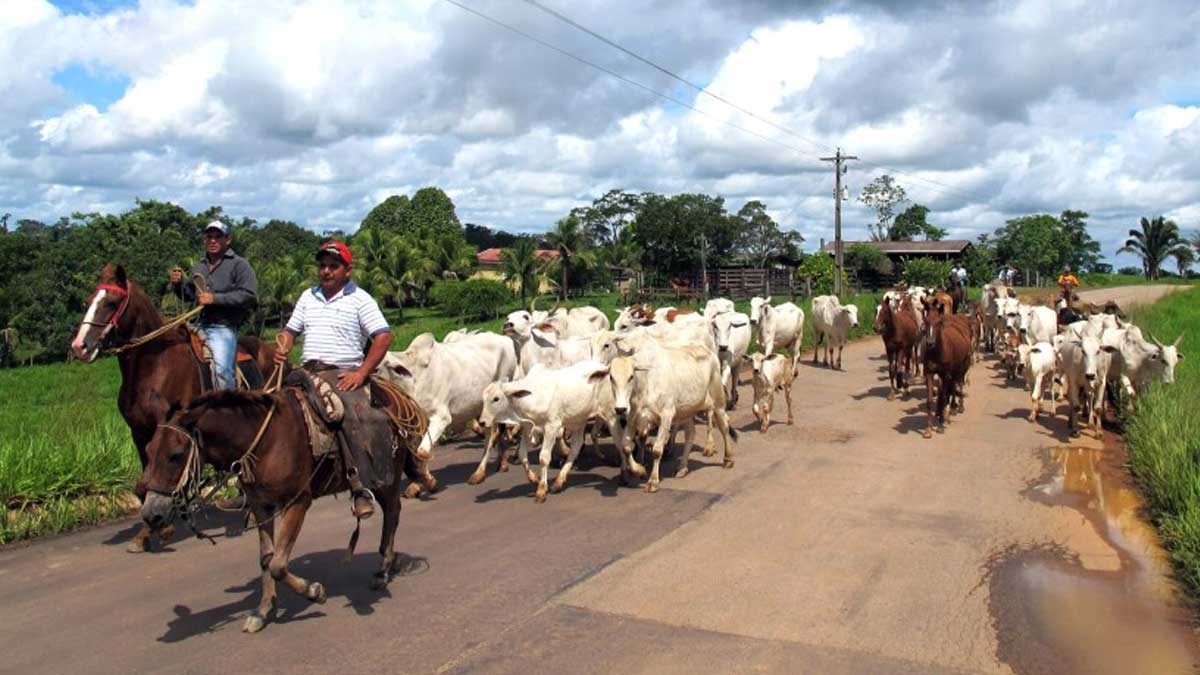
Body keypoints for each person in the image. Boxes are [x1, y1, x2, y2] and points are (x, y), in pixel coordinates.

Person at [274, 240, 393, 519]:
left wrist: (362, 373)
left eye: (333, 266)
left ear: (347, 271)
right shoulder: (308, 296)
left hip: (341, 372)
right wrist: (284, 344)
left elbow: (383, 336)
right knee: (269, 409)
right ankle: (257, 483)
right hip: (306, 371)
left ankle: (359, 486)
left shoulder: (360, 299)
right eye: (323, 266)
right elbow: (291, 331)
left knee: (346, 416)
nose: (326, 271)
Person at [171, 220, 258, 391]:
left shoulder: (239, 265)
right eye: (209, 237)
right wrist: (178, 285)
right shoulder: (199, 266)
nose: (212, 240)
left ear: (228, 240)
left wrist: (215, 299)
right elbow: (190, 296)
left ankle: (228, 407)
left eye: (218, 237)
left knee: (222, 371)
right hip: (195, 325)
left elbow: (249, 295)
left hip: (221, 327)